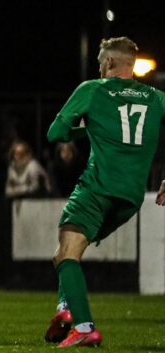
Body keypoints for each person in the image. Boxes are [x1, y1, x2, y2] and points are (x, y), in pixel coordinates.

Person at [44, 37, 165, 348]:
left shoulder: (93, 90)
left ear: (110, 63)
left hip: (97, 187)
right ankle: (66, 309)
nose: (99, 68)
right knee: (69, 252)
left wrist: (88, 127)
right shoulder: (156, 98)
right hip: (130, 198)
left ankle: (83, 325)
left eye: (100, 63)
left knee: (66, 253)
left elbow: (55, 134)